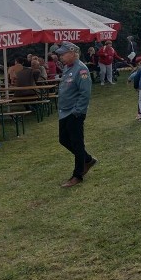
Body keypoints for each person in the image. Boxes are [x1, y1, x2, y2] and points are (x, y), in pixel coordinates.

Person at [54, 42, 96, 188]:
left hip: (74, 112)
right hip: (64, 112)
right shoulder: (67, 68)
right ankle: (88, 159)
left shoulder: (81, 70)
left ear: (73, 53)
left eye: (63, 54)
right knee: (63, 139)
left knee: (77, 143)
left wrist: (78, 111)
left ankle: (77, 175)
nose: (61, 57)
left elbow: (85, 93)